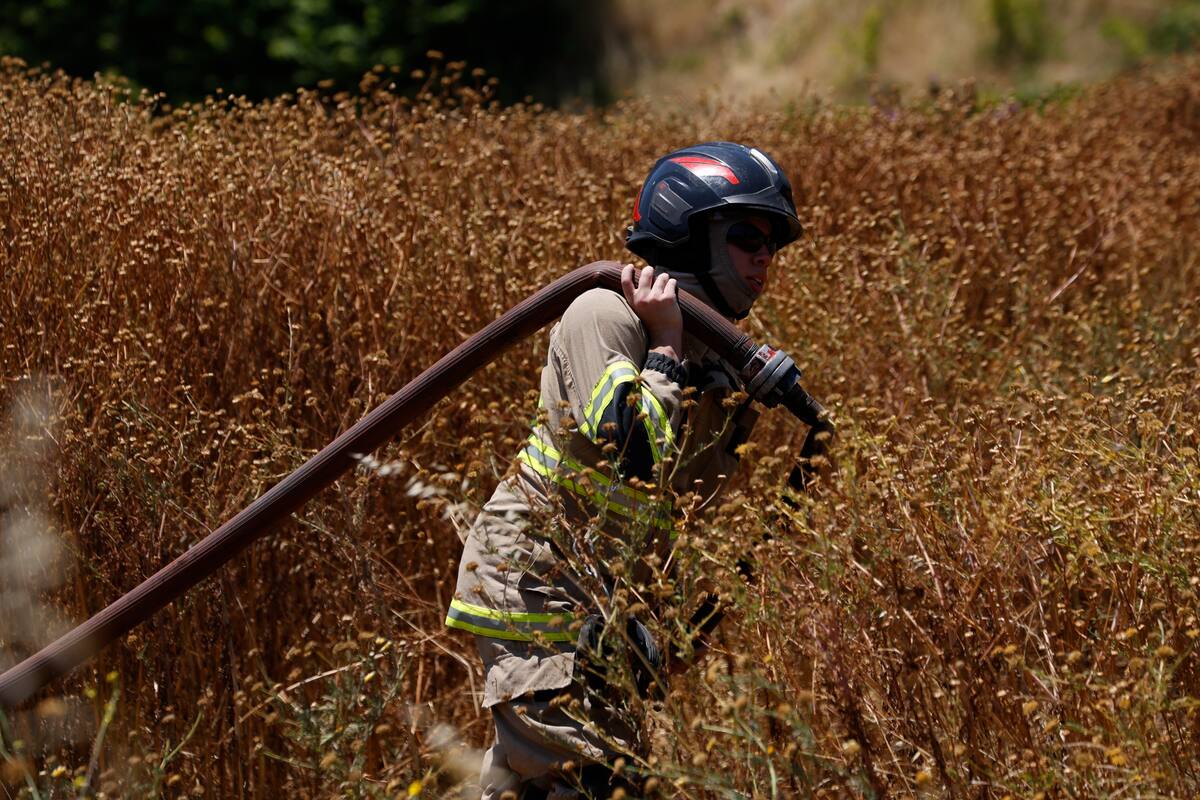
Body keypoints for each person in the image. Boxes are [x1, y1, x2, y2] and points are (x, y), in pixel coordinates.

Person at [445, 142, 803, 799]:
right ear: (689, 232)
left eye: (773, 244)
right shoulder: (605, 313)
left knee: (561, 784)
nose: (764, 258)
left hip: (603, 601)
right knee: (589, 783)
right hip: (539, 587)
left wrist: (648, 622)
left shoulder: (714, 359)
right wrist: (665, 344)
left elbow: (678, 506)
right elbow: (632, 450)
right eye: (748, 237)